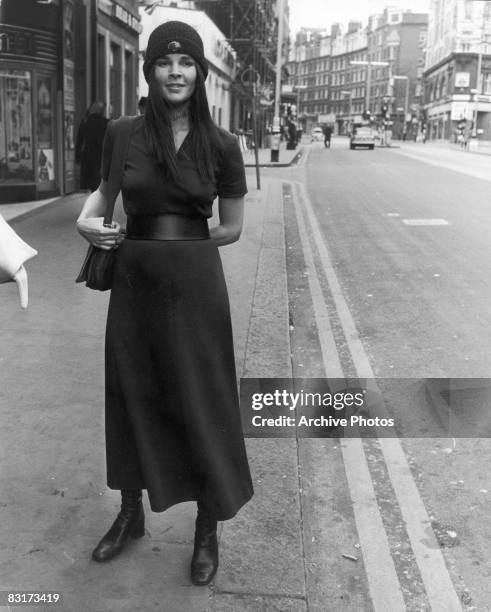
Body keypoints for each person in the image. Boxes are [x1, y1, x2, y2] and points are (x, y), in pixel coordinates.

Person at [76, 20, 254, 586]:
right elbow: (105, 195)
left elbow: (230, 229)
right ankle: (130, 514)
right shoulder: (124, 132)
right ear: (149, 71)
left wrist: (181, 252)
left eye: (185, 63)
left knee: (201, 401)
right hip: (134, 286)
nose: (174, 72)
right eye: (163, 62)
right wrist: (86, 220)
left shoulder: (224, 145)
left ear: (200, 73)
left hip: (197, 287)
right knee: (132, 394)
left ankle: (207, 527)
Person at [75, 101, 109, 192]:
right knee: (100, 184)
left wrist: (78, 158)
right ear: (101, 111)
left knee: (92, 185)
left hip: (88, 158)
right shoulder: (107, 123)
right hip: (102, 158)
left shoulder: (85, 122)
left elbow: (79, 142)